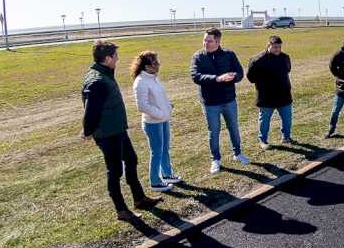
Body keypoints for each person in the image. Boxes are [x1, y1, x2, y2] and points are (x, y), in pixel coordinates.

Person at [82, 40, 161, 220]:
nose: (117, 59)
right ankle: (121, 210)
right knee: (115, 170)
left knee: (131, 160)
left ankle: (139, 198)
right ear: (108, 58)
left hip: (117, 129)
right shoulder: (98, 81)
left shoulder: (104, 74)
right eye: (115, 56)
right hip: (107, 133)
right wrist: (87, 131)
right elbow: (91, 110)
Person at [190, 28, 248, 174]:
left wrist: (233, 76)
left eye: (209, 41)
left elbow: (240, 73)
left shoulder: (229, 54)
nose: (206, 43)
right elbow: (195, 76)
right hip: (210, 103)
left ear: (218, 41)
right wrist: (216, 79)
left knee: (233, 127)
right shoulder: (198, 56)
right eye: (205, 40)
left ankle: (237, 153)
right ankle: (215, 159)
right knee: (213, 131)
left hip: (229, 100)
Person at [131, 50, 180, 192]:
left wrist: (168, 106)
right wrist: (160, 114)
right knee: (156, 151)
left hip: (163, 119)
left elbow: (160, 97)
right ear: (147, 67)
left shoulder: (153, 78)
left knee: (164, 149)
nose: (158, 64)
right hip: (152, 123)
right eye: (155, 62)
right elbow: (142, 106)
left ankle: (167, 175)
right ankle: (155, 181)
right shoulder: (140, 82)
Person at [247, 35, 293, 149]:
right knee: (264, 119)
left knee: (287, 118)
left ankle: (286, 137)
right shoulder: (257, 60)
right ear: (268, 45)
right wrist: (265, 80)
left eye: (279, 47)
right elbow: (251, 77)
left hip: (284, 95)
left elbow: (288, 69)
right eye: (275, 47)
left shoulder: (285, 57)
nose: (277, 49)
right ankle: (263, 140)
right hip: (266, 96)